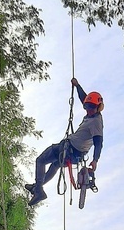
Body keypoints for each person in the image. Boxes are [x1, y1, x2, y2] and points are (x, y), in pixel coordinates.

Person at [26, 78, 104, 206]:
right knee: (55, 166)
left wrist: (95, 160)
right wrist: (77, 85)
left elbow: (99, 142)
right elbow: (83, 98)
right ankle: (37, 187)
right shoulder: (92, 114)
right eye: (86, 106)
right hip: (74, 154)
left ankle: (39, 190)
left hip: (70, 149)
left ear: (98, 107)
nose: (88, 109)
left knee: (40, 160)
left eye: (90, 107)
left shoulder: (96, 122)